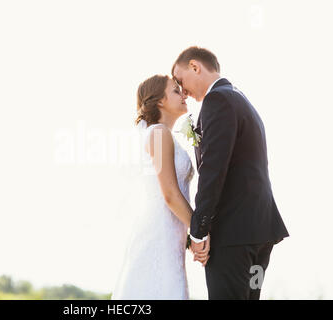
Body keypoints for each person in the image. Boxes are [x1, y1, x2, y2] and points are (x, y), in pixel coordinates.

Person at [172, 46, 289, 300]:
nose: (182, 91)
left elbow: (213, 170)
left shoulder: (218, 101)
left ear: (195, 66)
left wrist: (199, 232)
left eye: (180, 81)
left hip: (233, 237)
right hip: (259, 236)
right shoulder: (238, 97)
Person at [111, 75, 209, 299]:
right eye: (176, 91)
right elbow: (170, 194)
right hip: (159, 231)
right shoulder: (158, 133)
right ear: (160, 101)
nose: (184, 94)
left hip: (171, 234)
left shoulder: (163, 135)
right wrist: (199, 233)